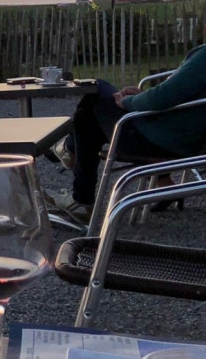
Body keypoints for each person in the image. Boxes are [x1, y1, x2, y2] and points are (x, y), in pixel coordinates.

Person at [44, 42, 206, 224]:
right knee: (91, 119)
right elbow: (181, 97)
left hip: (156, 140)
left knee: (95, 94)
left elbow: (161, 97)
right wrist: (139, 97)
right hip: (180, 139)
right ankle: (77, 186)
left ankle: (69, 156)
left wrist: (128, 102)